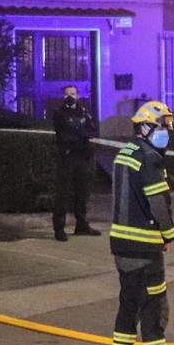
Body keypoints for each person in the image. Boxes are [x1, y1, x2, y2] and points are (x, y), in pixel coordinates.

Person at [109, 101, 174, 345]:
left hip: (120, 245)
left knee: (127, 304)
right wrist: (168, 235)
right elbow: (158, 203)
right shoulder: (149, 158)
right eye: (162, 126)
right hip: (145, 247)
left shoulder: (124, 153)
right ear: (145, 127)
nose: (167, 132)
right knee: (153, 311)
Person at [51, 85, 100, 241]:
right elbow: (64, 134)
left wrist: (81, 135)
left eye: (72, 94)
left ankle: (82, 225)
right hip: (67, 157)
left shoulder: (85, 113)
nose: (69, 97)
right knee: (62, 194)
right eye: (66, 94)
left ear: (78, 96)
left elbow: (92, 131)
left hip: (83, 158)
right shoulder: (59, 113)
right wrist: (81, 135)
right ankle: (59, 228)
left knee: (82, 193)